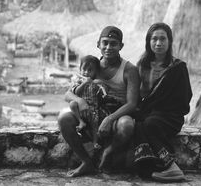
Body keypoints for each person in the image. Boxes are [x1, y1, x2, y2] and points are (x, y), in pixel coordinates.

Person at [58, 26, 140, 177]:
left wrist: (110, 119)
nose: (109, 47)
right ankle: (86, 162)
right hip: (92, 114)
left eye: (113, 43)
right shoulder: (92, 67)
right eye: (105, 43)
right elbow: (68, 93)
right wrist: (80, 101)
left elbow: (132, 104)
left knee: (127, 125)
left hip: (117, 115)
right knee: (64, 118)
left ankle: (108, 153)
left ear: (121, 46)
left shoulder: (129, 70)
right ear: (98, 44)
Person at [133, 22, 192, 182]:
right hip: (148, 114)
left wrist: (159, 107)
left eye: (162, 39)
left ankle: (171, 167)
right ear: (148, 42)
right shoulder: (141, 66)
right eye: (154, 39)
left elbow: (185, 98)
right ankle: (150, 170)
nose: (158, 43)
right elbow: (137, 96)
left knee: (150, 124)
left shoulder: (178, 68)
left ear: (169, 41)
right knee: (138, 125)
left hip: (171, 116)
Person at [69, 55, 108, 150]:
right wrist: (84, 83)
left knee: (95, 126)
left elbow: (104, 92)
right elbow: (76, 92)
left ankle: (95, 142)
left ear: (95, 72)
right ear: (80, 69)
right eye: (84, 69)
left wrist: (100, 84)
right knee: (72, 104)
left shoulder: (96, 82)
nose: (86, 73)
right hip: (80, 107)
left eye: (90, 70)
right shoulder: (78, 81)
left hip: (93, 109)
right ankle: (81, 122)